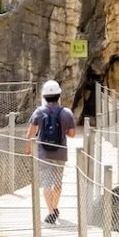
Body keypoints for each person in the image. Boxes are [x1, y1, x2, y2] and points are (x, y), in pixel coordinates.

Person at [25, 80, 76, 224]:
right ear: (59, 95)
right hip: (60, 153)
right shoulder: (66, 113)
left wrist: (28, 147)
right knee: (58, 183)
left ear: (44, 96)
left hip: (44, 153)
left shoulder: (38, 112)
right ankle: (54, 207)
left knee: (46, 183)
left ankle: (51, 211)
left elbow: (30, 133)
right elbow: (72, 134)